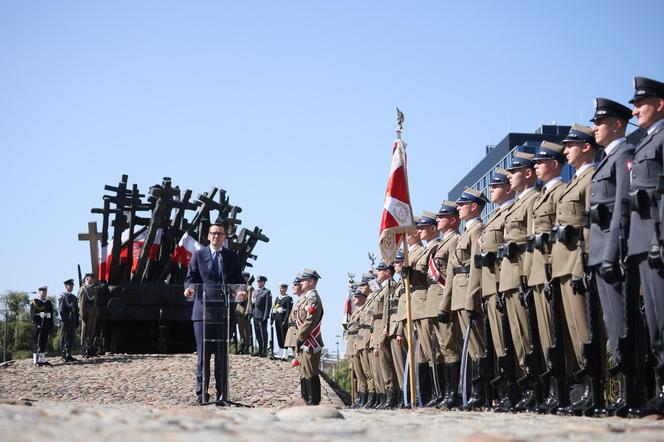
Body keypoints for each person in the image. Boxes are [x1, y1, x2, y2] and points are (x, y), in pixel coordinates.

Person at [589, 97, 638, 416]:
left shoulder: (624, 155)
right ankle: (623, 395)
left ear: (617, 125)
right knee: (611, 324)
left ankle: (631, 394)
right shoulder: (606, 160)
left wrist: (610, 253)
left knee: (623, 325)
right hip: (598, 253)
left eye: (600, 123)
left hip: (612, 253)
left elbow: (622, 206)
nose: (595, 129)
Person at [551, 123, 605, 416]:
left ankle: (595, 392)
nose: (566, 151)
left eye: (571, 145)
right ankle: (583, 390)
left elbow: (593, 225)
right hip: (563, 266)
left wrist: (584, 265)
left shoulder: (592, 177)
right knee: (573, 333)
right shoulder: (573, 182)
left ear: (586, 147)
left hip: (578, 263)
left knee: (587, 329)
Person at [626, 76, 664, 418]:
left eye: (641, 104)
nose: (635, 110)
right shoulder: (643, 142)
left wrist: (660, 238)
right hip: (642, 243)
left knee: (663, 319)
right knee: (653, 323)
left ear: (660, 104)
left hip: (656, 240)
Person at [184, 222, 244, 405]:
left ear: (225, 237)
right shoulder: (198, 255)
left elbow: (238, 280)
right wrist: (189, 289)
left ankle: (222, 394)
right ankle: (202, 394)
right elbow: (190, 278)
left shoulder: (231, 257)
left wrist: (241, 291)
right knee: (203, 356)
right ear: (208, 236)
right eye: (213, 233)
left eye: (220, 234)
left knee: (221, 357)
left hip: (224, 313)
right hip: (203, 312)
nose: (216, 236)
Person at [530, 141, 570, 413]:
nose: (536, 167)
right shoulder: (542, 194)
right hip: (538, 271)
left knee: (561, 333)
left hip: (555, 267)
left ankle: (569, 391)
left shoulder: (560, 192)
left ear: (555, 164)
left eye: (540, 162)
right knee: (544, 336)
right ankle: (554, 392)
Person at [500, 151, 541, 411]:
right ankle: (525, 387)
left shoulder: (533, 200)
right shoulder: (516, 204)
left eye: (513, 172)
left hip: (523, 275)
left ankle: (536, 388)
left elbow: (531, 241)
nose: (509, 178)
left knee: (529, 334)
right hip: (509, 278)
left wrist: (526, 275)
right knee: (515, 337)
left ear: (528, 173)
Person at [440, 187, 488, 409]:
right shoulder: (466, 234)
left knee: (477, 347)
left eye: (462, 204)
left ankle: (479, 393)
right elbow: (450, 273)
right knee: (468, 348)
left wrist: (472, 299)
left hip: (468, 292)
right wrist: (445, 304)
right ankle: (467, 393)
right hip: (457, 295)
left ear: (474, 207)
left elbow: (477, 268)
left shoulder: (478, 229)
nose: (458, 208)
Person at [476, 169, 517, 412]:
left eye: (496, 186)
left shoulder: (512, 210)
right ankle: (505, 392)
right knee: (499, 344)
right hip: (492, 284)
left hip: (508, 281)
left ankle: (520, 391)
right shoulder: (493, 217)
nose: (491, 190)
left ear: (508, 188)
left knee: (515, 339)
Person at [428, 201, 462, 408]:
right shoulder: (442, 243)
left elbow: (450, 275)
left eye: (442, 217)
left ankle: (453, 393)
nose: (438, 220)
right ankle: (444, 393)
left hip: (446, 299)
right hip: (437, 301)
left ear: (452, 219)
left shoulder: (454, 241)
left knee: (450, 347)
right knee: (441, 348)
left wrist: (445, 304)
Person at [294, 268, 324, 405]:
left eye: (304, 280)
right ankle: (305, 398)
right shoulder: (305, 298)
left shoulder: (313, 298)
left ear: (311, 282)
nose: (301, 283)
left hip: (310, 340)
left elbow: (310, 321)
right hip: (303, 340)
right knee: (303, 370)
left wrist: (299, 337)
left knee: (311, 371)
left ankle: (314, 400)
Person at [347, 284, 369, 408]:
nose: (354, 298)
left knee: (361, 372)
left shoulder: (363, 310)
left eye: (357, 296)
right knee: (356, 373)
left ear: (363, 298)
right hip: (352, 342)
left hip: (358, 341)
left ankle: (363, 398)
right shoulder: (356, 310)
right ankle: (359, 398)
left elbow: (361, 329)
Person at [31, 286, 53, 366]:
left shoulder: (48, 302)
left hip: (46, 325)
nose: (44, 293)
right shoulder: (35, 302)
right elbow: (32, 315)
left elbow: (51, 314)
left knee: (43, 341)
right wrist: (39, 316)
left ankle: (42, 358)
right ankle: (35, 360)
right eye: (43, 292)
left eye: (45, 292)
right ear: (39, 292)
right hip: (38, 326)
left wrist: (50, 323)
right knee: (37, 342)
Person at [58, 279, 79, 362]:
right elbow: (61, 310)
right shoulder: (63, 296)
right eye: (69, 286)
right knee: (63, 338)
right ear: (66, 287)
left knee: (71, 337)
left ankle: (69, 354)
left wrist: (77, 320)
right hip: (65, 320)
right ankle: (63, 355)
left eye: (72, 286)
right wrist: (65, 320)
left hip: (72, 320)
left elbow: (76, 310)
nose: (71, 287)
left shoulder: (74, 297)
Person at [78, 273, 99, 358]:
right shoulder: (83, 289)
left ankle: (89, 348)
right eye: (91, 278)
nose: (92, 280)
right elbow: (82, 303)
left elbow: (95, 303)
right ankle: (84, 349)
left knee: (91, 331)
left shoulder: (93, 289)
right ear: (86, 279)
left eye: (93, 278)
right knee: (85, 331)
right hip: (86, 313)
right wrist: (83, 314)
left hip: (93, 313)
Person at [271, 282, 293, 360]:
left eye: (282, 288)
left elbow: (288, 311)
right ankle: (280, 352)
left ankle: (285, 354)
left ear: (285, 289)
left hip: (283, 319)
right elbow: (274, 308)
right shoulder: (277, 298)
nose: (281, 290)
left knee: (284, 336)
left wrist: (285, 320)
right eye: (280, 288)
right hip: (277, 319)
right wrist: (272, 318)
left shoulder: (288, 298)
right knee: (279, 336)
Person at [251, 275, 272, 357]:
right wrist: (251, 312)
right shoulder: (255, 292)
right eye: (258, 282)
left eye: (260, 282)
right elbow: (253, 304)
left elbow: (268, 305)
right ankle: (259, 349)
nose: (259, 283)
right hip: (255, 315)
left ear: (264, 282)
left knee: (263, 333)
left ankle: (264, 350)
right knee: (257, 333)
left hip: (262, 315)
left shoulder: (267, 292)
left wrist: (266, 315)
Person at [285, 274, 303, 358]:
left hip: (299, 334)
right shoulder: (298, 300)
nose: (293, 287)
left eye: (295, 285)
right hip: (293, 332)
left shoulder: (304, 300)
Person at [234, 272, 253, 354]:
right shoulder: (239, 287)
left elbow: (249, 301)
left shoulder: (249, 288)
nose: (245, 278)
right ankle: (242, 345)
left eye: (246, 277)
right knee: (240, 330)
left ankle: (246, 346)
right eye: (244, 277)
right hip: (238, 310)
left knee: (246, 330)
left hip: (245, 310)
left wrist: (248, 311)